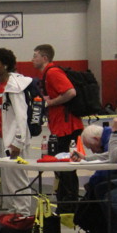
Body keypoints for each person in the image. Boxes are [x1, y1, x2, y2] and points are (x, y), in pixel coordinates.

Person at [72, 101, 117, 233]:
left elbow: (115, 157)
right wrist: (86, 158)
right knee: (101, 188)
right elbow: (113, 153)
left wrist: (114, 131)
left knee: (114, 197)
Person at [33, 44, 84, 207]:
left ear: (45, 58)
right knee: (61, 167)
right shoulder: (47, 74)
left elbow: (70, 92)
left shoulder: (53, 72)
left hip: (67, 126)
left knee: (66, 167)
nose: (32, 59)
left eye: (35, 56)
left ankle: (69, 204)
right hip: (60, 125)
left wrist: (51, 102)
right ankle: (65, 202)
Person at [0, 48, 33, 216]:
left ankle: (23, 214)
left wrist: (18, 142)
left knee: (17, 179)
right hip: (2, 139)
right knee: (7, 181)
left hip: (15, 140)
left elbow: (21, 116)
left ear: (5, 65)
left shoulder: (16, 85)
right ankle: (12, 213)